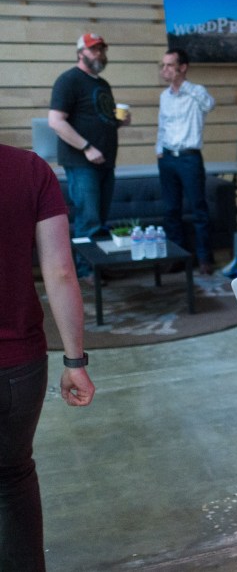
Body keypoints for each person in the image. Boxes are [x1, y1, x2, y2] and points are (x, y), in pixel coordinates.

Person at [0, 144, 96, 571]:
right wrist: (75, 362)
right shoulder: (29, 169)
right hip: (18, 369)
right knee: (13, 479)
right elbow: (60, 271)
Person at [48, 32, 131, 282]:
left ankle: (97, 265)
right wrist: (86, 147)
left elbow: (103, 120)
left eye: (102, 49)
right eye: (94, 50)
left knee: (100, 219)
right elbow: (56, 122)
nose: (100, 54)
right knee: (88, 219)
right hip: (82, 163)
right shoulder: (68, 80)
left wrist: (120, 122)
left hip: (106, 162)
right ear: (80, 53)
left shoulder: (102, 84)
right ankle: (85, 272)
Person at [155, 48, 217, 274]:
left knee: (199, 209)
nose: (165, 70)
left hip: (190, 158)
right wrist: (158, 150)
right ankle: (177, 257)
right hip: (168, 157)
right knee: (171, 210)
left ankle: (204, 258)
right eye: (163, 65)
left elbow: (210, 104)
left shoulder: (196, 91)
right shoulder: (164, 96)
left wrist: (184, 85)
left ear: (183, 67)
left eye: (170, 65)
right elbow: (163, 125)